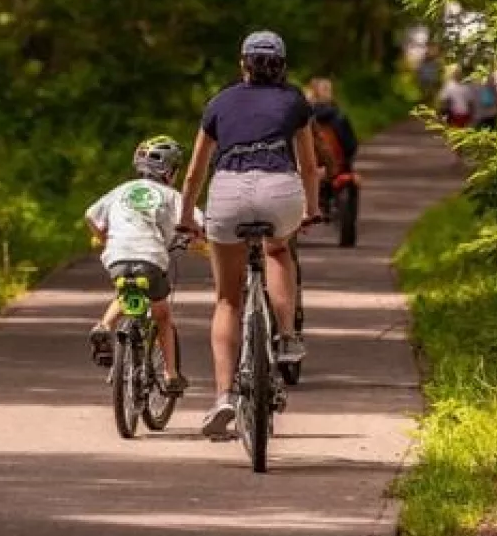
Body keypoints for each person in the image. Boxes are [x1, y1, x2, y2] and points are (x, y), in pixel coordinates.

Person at [178, 31, 321, 438]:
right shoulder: (295, 101)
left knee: (227, 299)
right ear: (282, 65)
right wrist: (310, 210)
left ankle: (223, 396)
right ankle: (288, 336)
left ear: (243, 64)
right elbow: (308, 167)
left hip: (227, 191)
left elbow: (194, 173)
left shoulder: (219, 102)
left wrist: (187, 218)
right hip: (280, 190)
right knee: (277, 251)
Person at [84, 135, 192, 394]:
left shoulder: (122, 190)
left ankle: (104, 326)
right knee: (162, 315)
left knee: (125, 293)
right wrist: (200, 241)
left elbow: (91, 214)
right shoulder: (171, 195)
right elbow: (194, 222)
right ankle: (171, 375)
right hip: (151, 258)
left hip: (117, 258)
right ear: (170, 171)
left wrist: (104, 238)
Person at [304, 77, 358, 177]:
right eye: (325, 89)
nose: (328, 92)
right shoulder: (338, 117)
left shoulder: (306, 115)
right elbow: (351, 145)